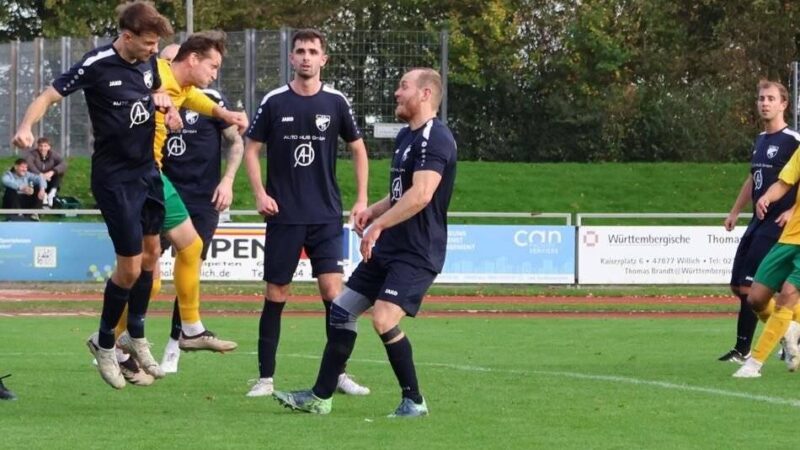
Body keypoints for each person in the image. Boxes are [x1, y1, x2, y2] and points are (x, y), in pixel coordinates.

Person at [272, 67, 457, 417]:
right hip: (392, 247)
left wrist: (377, 227)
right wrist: (373, 211)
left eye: (403, 86)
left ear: (425, 94)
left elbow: (421, 195)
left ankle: (414, 401)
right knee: (342, 309)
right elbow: (401, 193)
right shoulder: (407, 137)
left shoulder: (436, 137)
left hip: (417, 251)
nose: (397, 93)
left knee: (383, 318)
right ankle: (320, 397)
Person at [12, 0, 175, 389]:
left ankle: (134, 336)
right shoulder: (96, 63)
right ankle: (104, 343)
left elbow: (157, 89)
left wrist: (165, 103)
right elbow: (48, 96)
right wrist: (26, 127)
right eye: (148, 43)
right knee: (130, 269)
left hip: (147, 172)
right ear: (127, 36)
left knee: (153, 254)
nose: (154, 50)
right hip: (114, 179)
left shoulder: (150, 63)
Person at [111, 33, 248, 379]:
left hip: (173, 187)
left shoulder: (188, 91)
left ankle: (186, 331)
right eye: (213, 66)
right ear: (185, 61)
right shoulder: (150, 76)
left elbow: (203, 105)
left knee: (190, 248)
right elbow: (127, 92)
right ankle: (110, 339)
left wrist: (226, 115)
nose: (215, 73)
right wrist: (159, 101)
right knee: (142, 273)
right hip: (140, 178)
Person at [243, 28, 370, 397]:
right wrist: (260, 193)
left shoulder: (336, 101)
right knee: (277, 292)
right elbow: (251, 149)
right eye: (300, 51)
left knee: (334, 293)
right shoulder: (275, 101)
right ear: (291, 58)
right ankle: (266, 378)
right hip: (284, 214)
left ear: (323, 59)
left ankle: (338, 374)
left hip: (325, 215)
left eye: (313, 52)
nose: (306, 57)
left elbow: (358, 148)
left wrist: (361, 199)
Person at [156, 43, 245, 373]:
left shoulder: (210, 98)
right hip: (160, 190)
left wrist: (228, 181)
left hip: (203, 200)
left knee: (191, 263)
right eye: (164, 62)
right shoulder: (151, 96)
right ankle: (118, 337)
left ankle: (175, 343)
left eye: (172, 60)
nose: (168, 68)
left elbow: (236, 142)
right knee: (143, 270)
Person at [719, 80, 799, 365]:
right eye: (761, 98)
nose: (764, 103)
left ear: (783, 104)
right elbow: (753, 177)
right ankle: (789, 331)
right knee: (737, 286)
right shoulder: (761, 139)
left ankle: (744, 349)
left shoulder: (793, 140)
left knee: (751, 288)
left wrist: (793, 211)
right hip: (757, 220)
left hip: (779, 224)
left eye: (771, 98)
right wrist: (734, 211)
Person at [25, 137, 67, 207]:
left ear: (49, 147)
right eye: (40, 146)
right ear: (37, 146)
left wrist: (52, 172)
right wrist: (41, 175)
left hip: (49, 179)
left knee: (58, 173)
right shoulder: (32, 154)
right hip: (37, 179)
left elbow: (63, 164)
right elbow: (29, 164)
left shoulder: (53, 154)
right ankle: (43, 197)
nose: (43, 148)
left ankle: (52, 193)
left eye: (45, 146)